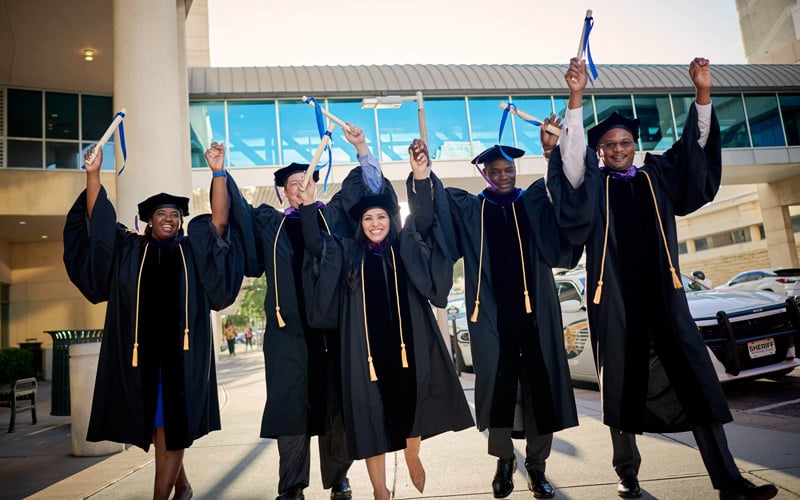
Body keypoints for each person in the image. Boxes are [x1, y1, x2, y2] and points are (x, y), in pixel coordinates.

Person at [548, 56, 778, 500]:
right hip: (615, 303)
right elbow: (570, 163)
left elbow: (693, 151)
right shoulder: (593, 185)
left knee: (697, 383)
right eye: (610, 144)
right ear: (600, 149)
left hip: (665, 302)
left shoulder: (655, 176)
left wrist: (703, 94)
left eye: (625, 142)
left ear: (634, 144)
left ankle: (729, 480)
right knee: (621, 386)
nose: (618, 149)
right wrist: (575, 97)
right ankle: (627, 474)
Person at [219, 124, 395, 500]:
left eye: (306, 180)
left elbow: (372, 191)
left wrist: (362, 149)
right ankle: (292, 485)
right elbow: (237, 214)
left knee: (337, 408)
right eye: (293, 184)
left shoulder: (333, 215)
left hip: (334, 331)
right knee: (289, 409)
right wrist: (221, 173)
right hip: (288, 334)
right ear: (283, 190)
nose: (300, 187)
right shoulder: (272, 224)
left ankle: (339, 478)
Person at [409, 126, 583, 498]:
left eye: (509, 170)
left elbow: (565, 195)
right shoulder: (471, 209)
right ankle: (504, 462)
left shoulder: (532, 202)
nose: (504, 176)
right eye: (496, 171)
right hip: (491, 317)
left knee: (541, 392)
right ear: (484, 173)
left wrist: (552, 152)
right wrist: (423, 172)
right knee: (499, 392)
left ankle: (536, 469)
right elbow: (433, 210)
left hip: (537, 317)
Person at [63, 144, 242, 500]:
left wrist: (218, 172)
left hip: (182, 358)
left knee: (171, 424)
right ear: (149, 219)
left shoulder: (191, 250)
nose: (169, 219)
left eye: (175, 215)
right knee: (162, 425)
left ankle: (162, 496)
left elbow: (220, 223)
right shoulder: (130, 250)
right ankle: (184, 486)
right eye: (162, 214)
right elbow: (97, 224)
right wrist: (94, 174)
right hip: (142, 359)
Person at [299, 140, 474, 500]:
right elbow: (317, 244)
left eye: (381, 216)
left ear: (389, 219)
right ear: (358, 224)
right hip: (365, 351)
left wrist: (421, 175)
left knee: (411, 402)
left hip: (407, 344)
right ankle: (380, 491)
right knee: (368, 420)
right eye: (368, 218)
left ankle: (412, 456)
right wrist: (305, 205)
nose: (375, 223)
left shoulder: (403, 244)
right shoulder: (347, 252)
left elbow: (424, 219)